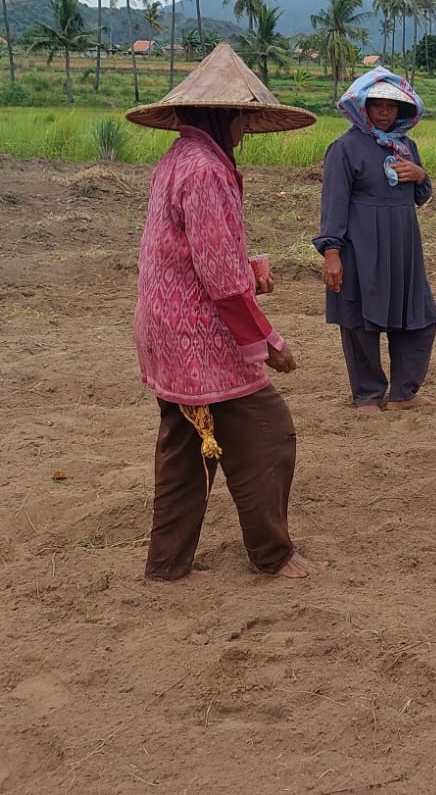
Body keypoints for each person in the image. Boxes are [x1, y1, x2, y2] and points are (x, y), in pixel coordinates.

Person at [128, 42, 326, 580]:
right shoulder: (206, 170)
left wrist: (247, 268)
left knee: (186, 445)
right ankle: (273, 554)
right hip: (199, 335)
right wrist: (267, 341)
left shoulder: (178, 159)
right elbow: (219, 278)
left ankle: (168, 564)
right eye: (241, 120)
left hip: (164, 324)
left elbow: (192, 249)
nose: (243, 131)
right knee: (269, 434)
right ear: (224, 116)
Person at [314, 67, 436, 415]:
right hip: (361, 247)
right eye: (377, 105)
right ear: (363, 107)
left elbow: (420, 196)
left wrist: (421, 175)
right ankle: (368, 395)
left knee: (418, 316)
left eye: (391, 106)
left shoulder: (406, 146)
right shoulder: (345, 148)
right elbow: (334, 204)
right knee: (359, 319)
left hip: (403, 247)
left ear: (402, 110)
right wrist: (331, 251)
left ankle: (403, 393)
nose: (385, 112)